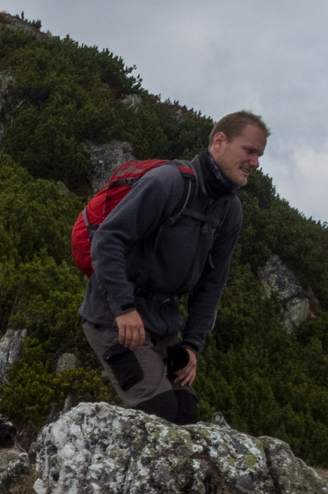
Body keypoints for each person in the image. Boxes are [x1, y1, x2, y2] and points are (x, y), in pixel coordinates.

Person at [79, 111, 267, 424]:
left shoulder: (230, 210)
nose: (255, 163)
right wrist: (124, 308)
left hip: (162, 323)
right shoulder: (167, 183)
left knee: (186, 415)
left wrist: (192, 345)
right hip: (113, 317)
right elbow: (108, 240)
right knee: (160, 413)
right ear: (219, 141)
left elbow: (212, 284)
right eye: (249, 151)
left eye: (259, 155)